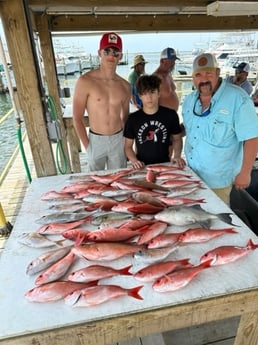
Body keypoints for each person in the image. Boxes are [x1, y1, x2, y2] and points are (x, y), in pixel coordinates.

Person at [182, 53, 258, 205]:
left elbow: (252, 137)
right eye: (198, 74)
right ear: (193, 78)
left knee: (215, 220)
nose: (203, 79)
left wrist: (245, 173)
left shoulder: (238, 99)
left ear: (217, 73)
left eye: (208, 73)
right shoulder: (189, 100)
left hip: (218, 179)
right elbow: (189, 128)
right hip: (191, 174)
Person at [73, 32, 131, 171]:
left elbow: (125, 118)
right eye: (107, 51)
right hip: (95, 140)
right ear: (100, 53)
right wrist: (88, 146)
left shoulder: (125, 85)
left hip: (118, 139)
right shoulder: (85, 81)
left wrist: (127, 143)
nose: (111, 55)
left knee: (119, 180)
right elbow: (77, 118)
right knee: (95, 184)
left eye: (116, 52)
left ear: (121, 56)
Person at [124, 74, 186, 170]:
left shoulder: (171, 115)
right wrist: (134, 161)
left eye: (152, 92)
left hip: (165, 164)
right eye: (145, 93)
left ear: (158, 93)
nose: (149, 97)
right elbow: (128, 146)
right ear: (140, 96)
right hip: (142, 166)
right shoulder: (133, 118)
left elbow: (177, 139)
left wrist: (177, 155)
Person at [152, 47, 180, 111]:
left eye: (174, 60)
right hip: (162, 118)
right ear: (162, 61)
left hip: (173, 116)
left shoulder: (169, 74)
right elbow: (150, 102)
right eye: (171, 61)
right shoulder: (155, 78)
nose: (173, 63)